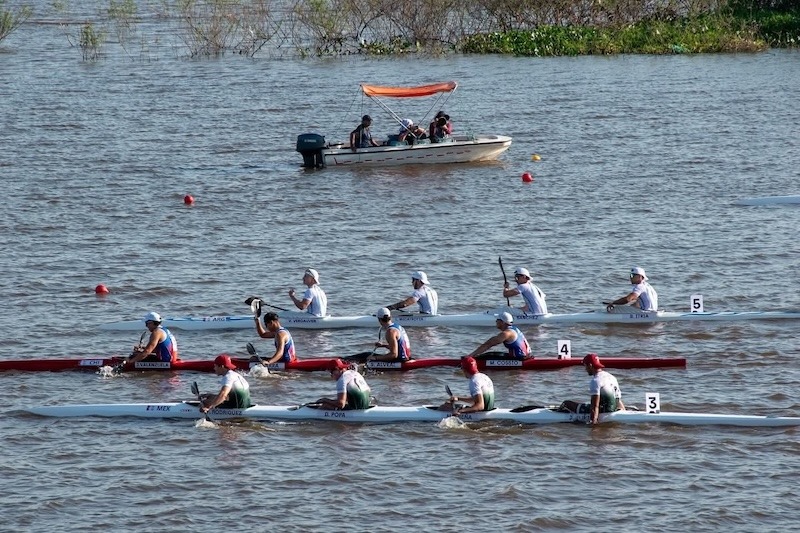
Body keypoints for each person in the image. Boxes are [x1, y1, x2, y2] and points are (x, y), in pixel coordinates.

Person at [560, 353, 625, 424]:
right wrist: (624, 413)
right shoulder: (612, 377)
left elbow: (595, 406)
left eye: (585, 366)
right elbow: (618, 399)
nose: (585, 369)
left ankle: (557, 415)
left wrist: (593, 423)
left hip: (603, 411)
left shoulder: (596, 381)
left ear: (590, 365)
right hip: (613, 409)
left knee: (566, 404)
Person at [465, 311, 531, 360]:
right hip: (525, 356)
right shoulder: (515, 329)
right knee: (490, 354)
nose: (496, 321)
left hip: (519, 359)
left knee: (483, 357)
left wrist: (471, 355)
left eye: (497, 320)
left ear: (502, 322)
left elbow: (488, 344)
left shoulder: (507, 333)